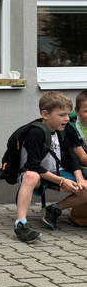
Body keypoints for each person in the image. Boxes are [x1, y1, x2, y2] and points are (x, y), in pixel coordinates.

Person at [13, 91, 87, 243]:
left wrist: (80, 179)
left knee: (85, 187)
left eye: (68, 114)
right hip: (37, 174)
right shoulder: (35, 133)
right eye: (62, 115)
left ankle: (54, 209)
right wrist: (62, 181)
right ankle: (21, 223)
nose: (67, 119)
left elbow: (71, 158)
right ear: (45, 114)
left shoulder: (63, 130)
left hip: (55, 172)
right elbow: (33, 165)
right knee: (30, 176)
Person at [65, 90, 87, 226]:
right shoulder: (72, 127)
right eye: (86, 111)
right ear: (77, 111)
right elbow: (83, 158)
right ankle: (79, 216)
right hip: (78, 167)